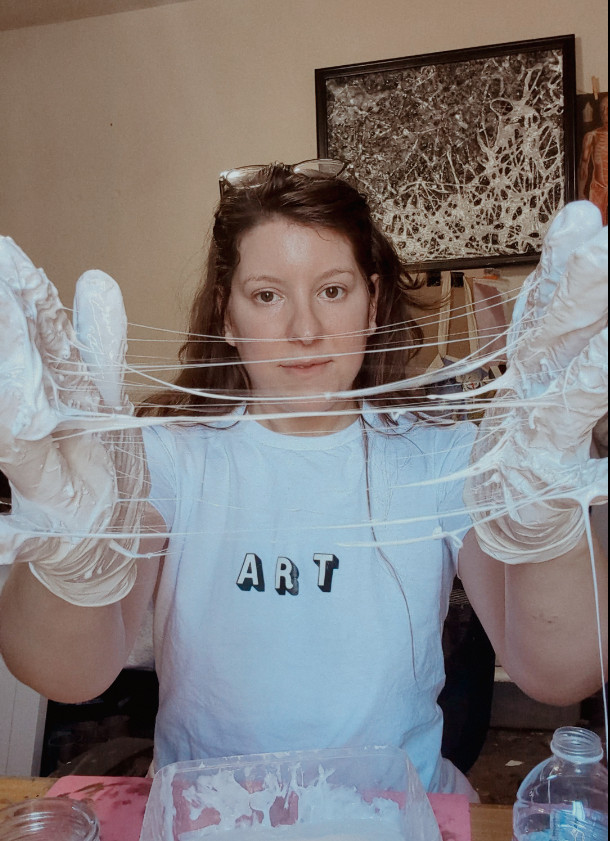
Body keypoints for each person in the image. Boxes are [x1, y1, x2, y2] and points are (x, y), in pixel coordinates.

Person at [0, 162, 607, 801]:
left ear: (372, 302)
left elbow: (558, 674)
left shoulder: (441, 454)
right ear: (227, 317)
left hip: (393, 814)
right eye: (267, 296)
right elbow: (70, 676)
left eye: (333, 290)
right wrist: (71, 556)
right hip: (208, 816)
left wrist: (544, 522)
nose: (305, 331)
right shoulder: (166, 456)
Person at [578, 93, 608, 225]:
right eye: (602, 109)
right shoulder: (591, 136)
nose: (605, 113)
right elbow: (583, 166)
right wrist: (580, 192)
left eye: (608, 109)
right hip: (598, 189)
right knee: (596, 226)